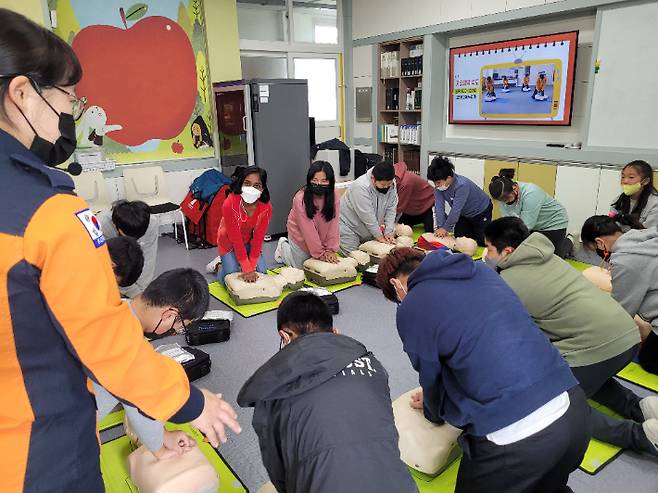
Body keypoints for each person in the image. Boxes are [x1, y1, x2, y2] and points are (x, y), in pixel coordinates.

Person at [0, 10, 240, 492]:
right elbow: (107, 345)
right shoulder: (49, 212)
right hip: (35, 449)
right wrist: (193, 404)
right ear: (22, 93)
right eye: (68, 97)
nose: (72, 111)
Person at [376, 247, 590, 493]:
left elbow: (430, 376)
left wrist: (431, 411)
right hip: (573, 410)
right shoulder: (480, 270)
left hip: (515, 439)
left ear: (396, 284)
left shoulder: (411, 305)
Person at [484, 217, 658, 457]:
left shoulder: (510, 282)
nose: (486, 255)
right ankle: (640, 407)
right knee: (583, 375)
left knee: (556, 404)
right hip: (627, 335)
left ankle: (640, 437)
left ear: (507, 251)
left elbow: (510, 337)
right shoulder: (548, 257)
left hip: (599, 344)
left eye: (489, 249)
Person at [237, 292, 418, 493]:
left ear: (285, 336)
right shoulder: (373, 365)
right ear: (334, 331)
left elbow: (278, 472)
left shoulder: (272, 390)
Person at [95, 268, 211, 460]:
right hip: (56, 430)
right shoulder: (130, 345)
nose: (175, 332)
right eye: (179, 327)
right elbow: (141, 406)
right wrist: (161, 449)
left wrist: (163, 436)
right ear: (169, 315)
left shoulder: (114, 305)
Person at [581, 214, 658, 378]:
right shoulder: (646, 234)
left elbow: (621, 313)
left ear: (600, 243)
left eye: (595, 250)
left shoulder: (625, 262)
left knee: (649, 360)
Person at [489, 170, 571, 257]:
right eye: (501, 200)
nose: (504, 202)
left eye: (506, 198)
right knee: (528, 254)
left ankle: (570, 240)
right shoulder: (503, 196)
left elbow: (525, 227)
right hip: (533, 224)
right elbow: (508, 222)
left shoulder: (531, 193)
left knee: (550, 257)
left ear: (515, 188)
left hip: (553, 223)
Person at [275, 161, 340, 268]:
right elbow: (308, 230)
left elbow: (334, 224)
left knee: (326, 263)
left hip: (322, 233)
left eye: (324, 181)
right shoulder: (300, 199)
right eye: (315, 180)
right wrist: (320, 254)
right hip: (300, 235)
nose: (319, 184)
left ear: (330, 181)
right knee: (303, 268)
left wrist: (330, 250)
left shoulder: (334, 195)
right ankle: (283, 247)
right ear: (309, 180)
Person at [217, 166, 272, 285]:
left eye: (257, 185)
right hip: (229, 243)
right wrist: (246, 269)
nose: (251, 189)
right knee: (231, 279)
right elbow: (234, 238)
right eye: (247, 183)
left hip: (250, 243)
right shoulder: (229, 204)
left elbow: (258, 239)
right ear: (241, 184)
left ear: (262, 189)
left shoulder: (266, 208)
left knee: (261, 273)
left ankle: (235, 263)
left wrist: (251, 266)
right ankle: (220, 266)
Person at [99, 200, 159, 297]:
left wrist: (141, 294)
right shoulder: (101, 227)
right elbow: (105, 269)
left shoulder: (151, 223)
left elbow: (148, 261)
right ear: (116, 226)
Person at [429, 156, 493, 245]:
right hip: (464, 214)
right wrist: (441, 227)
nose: (436, 185)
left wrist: (445, 228)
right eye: (434, 183)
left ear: (449, 178)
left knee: (483, 242)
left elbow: (455, 210)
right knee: (460, 238)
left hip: (481, 211)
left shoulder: (462, 185)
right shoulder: (439, 187)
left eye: (438, 182)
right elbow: (439, 207)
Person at [339, 161, 398, 254]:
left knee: (373, 255)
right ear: (373, 178)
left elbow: (391, 209)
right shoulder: (360, 187)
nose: (386, 187)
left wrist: (388, 232)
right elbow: (367, 216)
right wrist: (379, 236)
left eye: (389, 184)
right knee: (356, 259)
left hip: (369, 229)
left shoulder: (391, 183)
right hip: (349, 228)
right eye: (383, 185)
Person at [611, 160, 658, 229]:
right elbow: (611, 225)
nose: (625, 181)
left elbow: (648, 234)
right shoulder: (618, 200)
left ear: (645, 181)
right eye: (623, 177)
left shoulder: (655, 204)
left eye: (631, 177)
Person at [394, 160, 435, 233]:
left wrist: (389, 222)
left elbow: (400, 206)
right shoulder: (394, 177)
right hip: (411, 207)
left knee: (429, 234)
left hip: (426, 203)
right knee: (400, 230)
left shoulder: (405, 183)